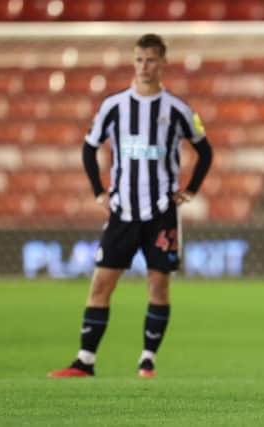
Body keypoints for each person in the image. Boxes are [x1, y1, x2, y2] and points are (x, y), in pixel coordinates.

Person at [48, 34, 212, 378]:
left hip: (161, 213)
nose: (144, 66)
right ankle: (85, 361)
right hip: (122, 212)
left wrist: (191, 190)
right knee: (100, 284)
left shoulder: (178, 109)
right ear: (133, 62)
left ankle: (147, 360)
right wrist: (98, 191)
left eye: (151, 60)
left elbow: (205, 151)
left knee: (158, 285)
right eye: (139, 59)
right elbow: (88, 148)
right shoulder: (113, 106)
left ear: (163, 63)